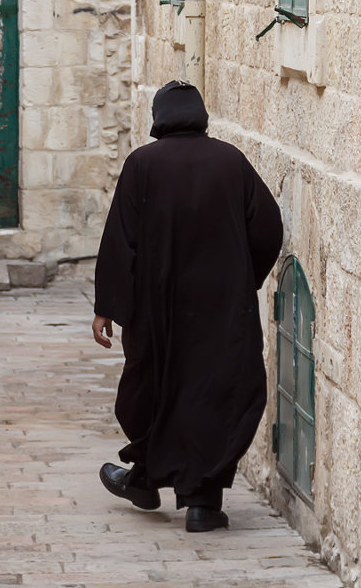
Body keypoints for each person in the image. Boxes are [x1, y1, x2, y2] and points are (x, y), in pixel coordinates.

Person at [92, 80, 283, 532]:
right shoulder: (231, 162)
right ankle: (201, 503)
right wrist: (243, 279)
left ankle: (146, 477)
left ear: (159, 116)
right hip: (222, 310)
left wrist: (108, 306)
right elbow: (269, 227)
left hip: (159, 311)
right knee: (214, 393)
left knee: (157, 387)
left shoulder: (142, 164)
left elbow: (121, 242)